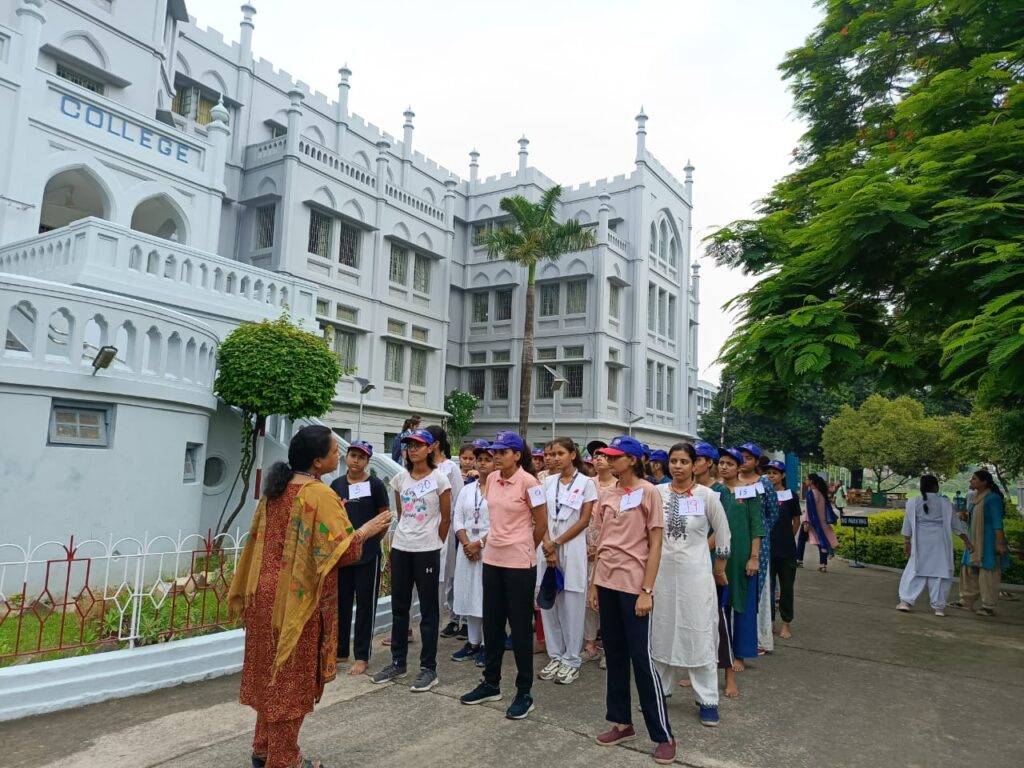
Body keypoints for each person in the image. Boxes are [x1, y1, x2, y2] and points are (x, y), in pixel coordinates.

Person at [230, 426, 391, 768]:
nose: (339, 455)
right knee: (290, 681)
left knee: (270, 675)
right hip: (295, 600)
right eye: (335, 450)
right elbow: (344, 553)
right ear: (318, 461)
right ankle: (286, 760)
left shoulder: (276, 489)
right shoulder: (318, 494)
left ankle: (262, 749)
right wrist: (367, 529)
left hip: (263, 596)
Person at [588, 436, 675, 765]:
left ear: (634, 460)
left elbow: (655, 545)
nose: (609, 461)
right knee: (616, 655)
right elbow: (603, 543)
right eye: (608, 456)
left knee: (641, 658)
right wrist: (595, 585)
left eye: (616, 456)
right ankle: (622, 723)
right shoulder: (607, 494)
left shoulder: (649, 492)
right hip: (607, 582)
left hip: (634, 586)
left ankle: (663, 734)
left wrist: (646, 591)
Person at [460, 431, 547, 720]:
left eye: (502, 452)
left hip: (519, 564)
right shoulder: (491, 482)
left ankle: (524, 692)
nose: (495, 457)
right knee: (493, 624)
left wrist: (523, 547)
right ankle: (491, 682)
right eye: (494, 452)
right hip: (493, 560)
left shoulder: (530, 482)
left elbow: (541, 523)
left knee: (520, 629)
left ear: (517, 455)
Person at [651, 442, 730, 728]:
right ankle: (660, 690)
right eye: (674, 461)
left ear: (696, 464)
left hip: (696, 575)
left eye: (684, 461)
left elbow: (723, 533)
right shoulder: (656, 493)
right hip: (661, 574)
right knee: (662, 629)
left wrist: (720, 567)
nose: (678, 466)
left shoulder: (708, 496)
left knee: (698, 631)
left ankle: (707, 698)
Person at [371, 429, 451, 692]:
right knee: (399, 607)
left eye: (418, 445)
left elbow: (446, 518)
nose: (412, 449)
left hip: (427, 550)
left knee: (428, 611)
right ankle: (398, 661)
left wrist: (434, 541)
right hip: (402, 547)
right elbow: (403, 512)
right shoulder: (400, 478)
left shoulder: (440, 479)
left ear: (430, 449)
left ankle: (429, 668)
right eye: (408, 445)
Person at [537, 438, 597, 685]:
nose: (555, 457)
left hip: (571, 547)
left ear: (573, 454)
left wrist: (557, 543)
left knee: (572, 604)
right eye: (552, 453)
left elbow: (583, 520)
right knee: (549, 603)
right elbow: (539, 516)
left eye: (561, 453)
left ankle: (572, 659)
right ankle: (556, 655)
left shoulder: (586, 484)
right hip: (546, 545)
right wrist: (548, 545)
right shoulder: (547, 482)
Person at [330, 441, 391, 676]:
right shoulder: (336, 485)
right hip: (343, 556)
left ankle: (362, 655)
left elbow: (384, 517)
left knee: (366, 604)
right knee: (342, 603)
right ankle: (341, 650)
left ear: (368, 461)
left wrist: (372, 541)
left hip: (367, 556)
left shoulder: (375, 485)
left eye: (361, 457)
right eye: (353, 455)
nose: (356, 460)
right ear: (347, 458)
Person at [717, 447, 763, 697]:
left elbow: (757, 526)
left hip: (742, 557)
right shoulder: (714, 491)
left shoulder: (749, 491)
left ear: (739, 467)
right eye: (721, 462)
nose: (724, 467)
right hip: (717, 558)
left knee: (741, 607)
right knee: (717, 612)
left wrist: (754, 557)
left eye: (729, 463)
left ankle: (740, 654)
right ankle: (712, 662)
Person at [897, 475, 971, 616]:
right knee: (940, 572)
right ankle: (938, 607)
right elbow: (956, 525)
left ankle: (905, 601)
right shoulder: (944, 503)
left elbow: (907, 525)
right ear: (936, 487)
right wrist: (966, 541)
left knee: (915, 569)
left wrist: (906, 542)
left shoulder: (913, 502)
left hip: (920, 541)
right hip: (939, 542)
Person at [451, 445, 495, 666]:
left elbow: (502, 523)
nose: (483, 462)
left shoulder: (500, 488)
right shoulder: (468, 490)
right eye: (480, 459)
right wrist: (467, 543)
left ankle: (489, 645)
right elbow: (457, 518)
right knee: (469, 594)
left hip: (489, 549)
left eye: (488, 458)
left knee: (487, 597)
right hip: (467, 550)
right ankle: (473, 642)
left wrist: (480, 543)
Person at [736, 443, 779, 655]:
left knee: (757, 589)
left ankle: (757, 638)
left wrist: (760, 534)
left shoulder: (764, 483)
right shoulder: (732, 481)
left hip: (758, 545)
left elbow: (773, 513)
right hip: (734, 541)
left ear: (756, 461)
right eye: (741, 457)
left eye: (748, 458)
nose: (744, 461)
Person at [426, 425, 466, 641]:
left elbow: (458, 498)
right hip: (424, 526)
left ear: (436, 444)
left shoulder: (450, 468)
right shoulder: (420, 467)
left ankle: (451, 617)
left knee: (445, 575)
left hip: (445, 525)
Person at [955, 470, 1010, 616]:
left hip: (989, 540)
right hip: (974, 539)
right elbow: (973, 518)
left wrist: (1000, 543)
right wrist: (964, 516)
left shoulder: (993, 498)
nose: (971, 481)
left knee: (988, 572)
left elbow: (998, 523)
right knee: (969, 569)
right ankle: (965, 601)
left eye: (974, 479)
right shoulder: (974, 497)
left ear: (984, 482)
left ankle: (988, 605)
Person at [582, 446, 617, 667]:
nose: (599, 460)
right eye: (596, 456)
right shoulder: (587, 483)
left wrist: (601, 546)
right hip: (585, 544)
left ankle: (609, 647)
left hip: (609, 547)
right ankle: (589, 645)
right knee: (588, 599)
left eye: (604, 456)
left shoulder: (619, 486)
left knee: (607, 599)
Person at [764, 460, 800, 639]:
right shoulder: (762, 494)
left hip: (786, 551)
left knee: (786, 588)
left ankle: (786, 623)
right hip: (767, 550)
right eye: (769, 472)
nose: (771, 476)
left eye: (775, 473)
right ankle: (769, 622)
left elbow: (796, 521)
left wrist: (787, 536)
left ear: (782, 475)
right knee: (767, 588)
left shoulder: (790, 495)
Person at [803, 473, 839, 573]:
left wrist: (806, 522)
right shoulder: (821, 493)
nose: (805, 481)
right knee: (822, 543)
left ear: (811, 481)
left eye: (807, 479)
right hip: (823, 522)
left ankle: (821, 564)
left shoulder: (810, 494)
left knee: (820, 543)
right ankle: (823, 564)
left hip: (815, 523)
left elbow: (808, 510)